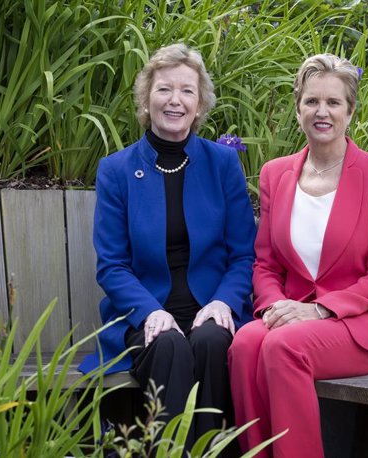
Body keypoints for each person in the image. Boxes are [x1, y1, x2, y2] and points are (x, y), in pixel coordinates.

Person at [228, 54, 368, 457]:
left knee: (283, 347)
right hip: (292, 316)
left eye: (333, 103)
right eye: (311, 101)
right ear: (298, 108)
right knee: (244, 344)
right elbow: (266, 262)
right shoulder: (276, 173)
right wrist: (276, 307)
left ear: (350, 111)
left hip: (359, 325)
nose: (321, 112)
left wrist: (319, 310)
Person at [78, 43, 257, 440]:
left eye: (187, 91)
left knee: (211, 341)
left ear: (199, 103)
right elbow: (112, 264)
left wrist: (224, 302)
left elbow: (244, 255)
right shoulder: (116, 170)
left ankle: (209, 450)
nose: (175, 100)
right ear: (146, 99)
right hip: (145, 315)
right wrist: (148, 312)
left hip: (210, 307)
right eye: (164, 89)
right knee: (169, 343)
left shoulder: (223, 163)